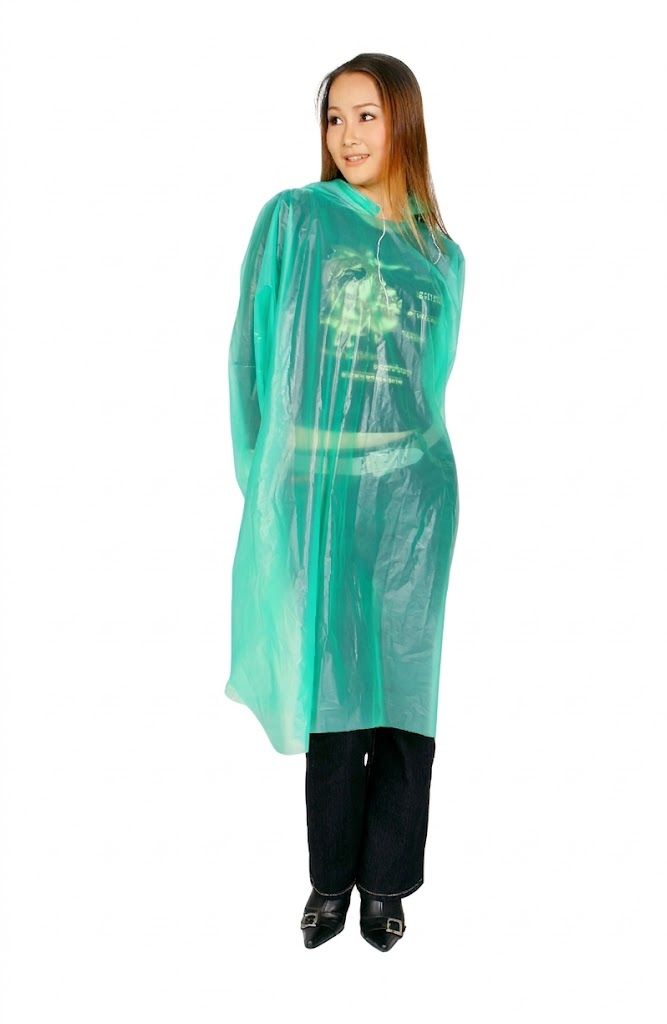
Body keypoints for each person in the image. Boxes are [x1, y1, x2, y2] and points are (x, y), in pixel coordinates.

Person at [224, 53, 465, 952]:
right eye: (335, 117)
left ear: (403, 122)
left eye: (367, 115)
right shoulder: (294, 220)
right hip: (317, 490)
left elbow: (429, 381)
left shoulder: (441, 255)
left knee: (404, 693)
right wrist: (266, 479)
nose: (349, 136)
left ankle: (387, 882)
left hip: (415, 496)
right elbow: (251, 355)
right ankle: (331, 879)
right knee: (334, 695)